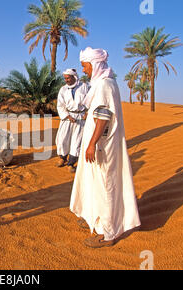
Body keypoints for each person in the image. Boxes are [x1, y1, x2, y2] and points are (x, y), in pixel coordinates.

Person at [69, 47, 141, 248]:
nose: (83, 70)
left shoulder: (105, 85)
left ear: (95, 64)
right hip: (100, 145)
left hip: (102, 147)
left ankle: (108, 234)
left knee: (105, 186)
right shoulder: (104, 83)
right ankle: (96, 219)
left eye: (85, 66)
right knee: (96, 184)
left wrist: (92, 144)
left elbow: (103, 117)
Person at [55, 68, 90, 173]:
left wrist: (88, 112)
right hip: (67, 117)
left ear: (74, 77)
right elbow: (60, 105)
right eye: (65, 78)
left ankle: (71, 163)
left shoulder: (85, 87)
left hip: (80, 117)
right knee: (62, 138)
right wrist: (67, 116)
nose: (66, 80)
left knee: (77, 141)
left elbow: (92, 100)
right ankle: (62, 158)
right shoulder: (63, 89)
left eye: (68, 78)